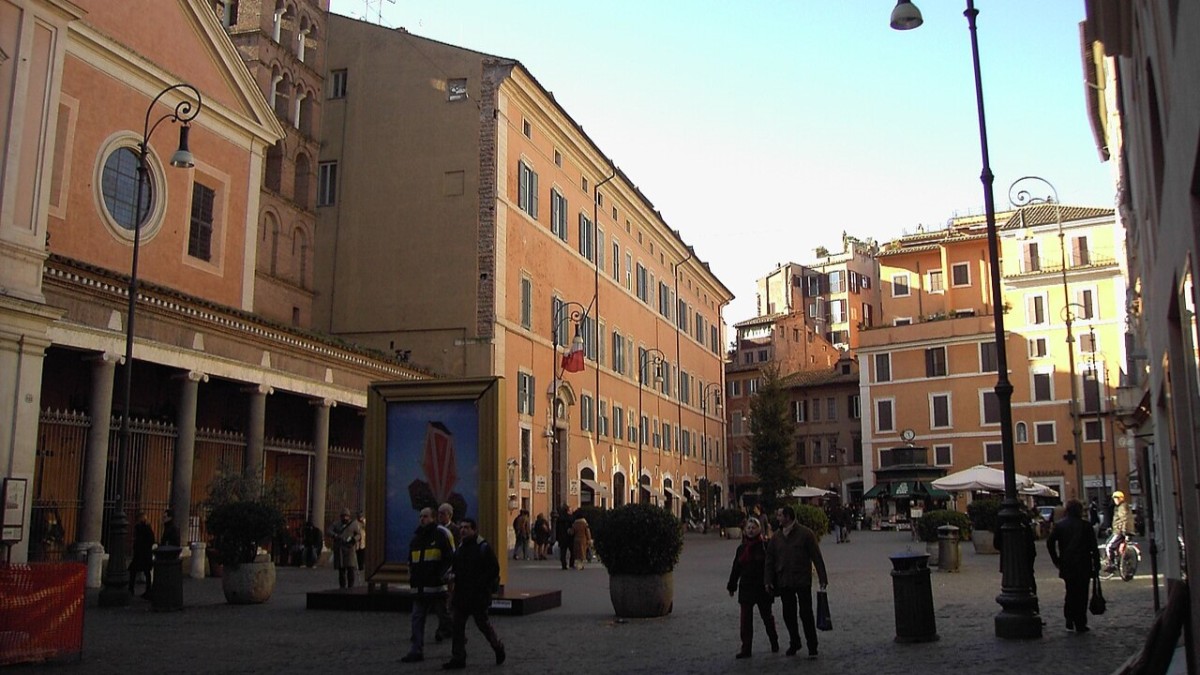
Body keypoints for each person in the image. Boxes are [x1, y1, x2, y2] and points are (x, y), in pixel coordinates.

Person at [764, 505, 828, 659]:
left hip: (802, 579)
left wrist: (822, 578)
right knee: (788, 614)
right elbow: (769, 560)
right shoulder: (776, 537)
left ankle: (812, 645)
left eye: (780, 515)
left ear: (787, 517)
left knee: (806, 613)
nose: (777, 518)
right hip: (784, 579)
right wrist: (767, 580)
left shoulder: (805, 534)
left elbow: (816, 556)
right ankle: (795, 641)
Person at [442, 517, 506, 670]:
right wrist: (452, 576)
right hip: (462, 594)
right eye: (461, 527)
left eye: (466, 528)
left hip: (478, 595)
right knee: (457, 626)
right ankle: (458, 658)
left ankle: (497, 647)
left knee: (483, 625)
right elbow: (456, 567)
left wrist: (480, 584)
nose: (463, 530)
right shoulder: (460, 547)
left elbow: (494, 570)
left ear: (474, 530)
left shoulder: (483, 547)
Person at [400, 507, 454, 664]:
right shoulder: (416, 538)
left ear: (433, 518)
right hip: (419, 587)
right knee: (417, 618)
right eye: (420, 516)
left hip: (437, 587)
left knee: (445, 618)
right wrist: (411, 575)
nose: (422, 519)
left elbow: (451, 557)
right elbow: (411, 560)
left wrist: (443, 576)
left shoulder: (442, 534)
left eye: (425, 516)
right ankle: (416, 650)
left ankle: (458, 643)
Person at [727, 517, 779, 658]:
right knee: (745, 620)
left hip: (762, 587)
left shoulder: (765, 546)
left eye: (753, 528)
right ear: (745, 530)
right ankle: (746, 648)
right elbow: (736, 568)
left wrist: (773, 583)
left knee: (767, 617)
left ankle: (774, 641)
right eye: (748, 528)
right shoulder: (742, 549)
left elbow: (771, 567)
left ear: (759, 529)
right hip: (746, 587)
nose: (750, 530)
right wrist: (732, 585)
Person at [1046, 499, 1101, 632]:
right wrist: (1097, 564)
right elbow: (1094, 547)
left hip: (1067, 563)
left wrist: (1056, 559)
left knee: (1070, 592)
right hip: (1083, 564)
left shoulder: (1060, 525)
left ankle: (1069, 619)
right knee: (1082, 594)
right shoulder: (1086, 526)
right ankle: (1080, 622)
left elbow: (1049, 542)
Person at [328, 508, 362, 589]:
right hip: (340, 549)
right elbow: (329, 531)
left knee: (351, 569)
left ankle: (351, 586)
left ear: (349, 516)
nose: (345, 518)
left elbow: (358, 534)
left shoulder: (353, 524)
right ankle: (342, 587)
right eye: (343, 516)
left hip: (350, 548)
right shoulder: (336, 524)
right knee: (341, 570)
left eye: (346, 516)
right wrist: (335, 535)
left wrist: (354, 539)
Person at [1105, 490, 1133, 572]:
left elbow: (1124, 519)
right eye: (1114, 498)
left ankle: (1112, 564)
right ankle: (1116, 560)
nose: (1115, 500)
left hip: (1120, 531)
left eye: (1116, 498)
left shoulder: (1122, 507)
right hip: (1117, 530)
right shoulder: (1120, 506)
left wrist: (1124, 531)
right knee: (1109, 543)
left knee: (1109, 546)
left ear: (1121, 498)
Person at [129, 511, 155, 597]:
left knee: (134, 571)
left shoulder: (141, 528)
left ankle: (131, 589)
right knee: (146, 572)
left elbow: (142, 540)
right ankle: (148, 589)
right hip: (145, 554)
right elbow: (151, 540)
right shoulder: (148, 528)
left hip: (141, 554)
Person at [554, 504, 574, 570]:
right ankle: (571, 563)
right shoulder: (570, 518)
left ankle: (564, 564)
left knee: (563, 552)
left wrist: (557, 538)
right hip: (569, 537)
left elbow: (557, 529)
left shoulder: (559, 519)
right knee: (572, 551)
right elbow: (572, 527)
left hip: (561, 537)